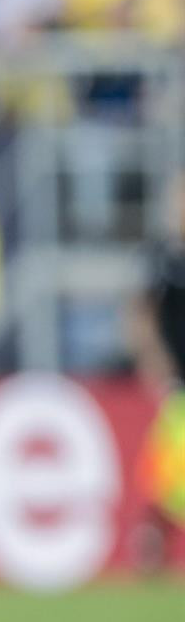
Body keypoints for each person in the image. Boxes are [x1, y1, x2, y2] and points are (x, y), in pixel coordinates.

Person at [125, 171, 185, 575]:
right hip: (179, 382)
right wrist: (151, 357)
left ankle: (151, 542)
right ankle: (152, 544)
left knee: (169, 474)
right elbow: (141, 312)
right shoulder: (163, 258)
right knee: (169, 473)